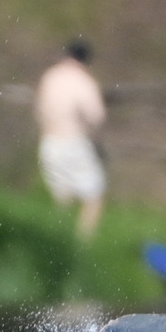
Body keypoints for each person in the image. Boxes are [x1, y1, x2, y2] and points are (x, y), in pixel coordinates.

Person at [35, 38, 107, 239]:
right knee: (94, 197)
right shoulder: (84, 82)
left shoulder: (50, 77)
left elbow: (40, 111)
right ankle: (81, 246)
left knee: (62, 200)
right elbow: (97, 117)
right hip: (73, 143)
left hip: (49, 143)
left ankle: (57, 244)